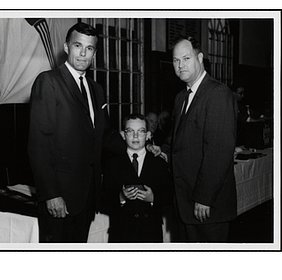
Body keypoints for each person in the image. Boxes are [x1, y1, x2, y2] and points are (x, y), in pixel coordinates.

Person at [28, 22, 125, 243]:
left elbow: (104, 136)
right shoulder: (49, 82)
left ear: (94, 52)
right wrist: (51, 194)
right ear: (66, 47)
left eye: (89, 48)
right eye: (77, 46)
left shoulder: (96, 89)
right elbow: (39, 144)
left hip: (87, 196)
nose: (83, 53)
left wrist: (138, 145)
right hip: (59, 197)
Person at [161, 36, 238, 242]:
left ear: (200, 58)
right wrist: (162, 151)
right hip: (184, 201)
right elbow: (176, 141)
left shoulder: (218, 93)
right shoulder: (181, 97)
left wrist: (204, 197)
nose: (180, 65)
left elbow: (219, 151)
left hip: (206, 206)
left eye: (186, 58)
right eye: (176, 61)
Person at [101, 114, 174, 242]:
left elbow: (170, 195)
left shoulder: (158, 162)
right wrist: (121, 197)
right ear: (123, 135)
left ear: (148, 135)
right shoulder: (113, 163)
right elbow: (103, 198)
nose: (135, 136)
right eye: (130, 131)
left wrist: (153, 198)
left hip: (150, 232)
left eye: (141, 131)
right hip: (122, 232)